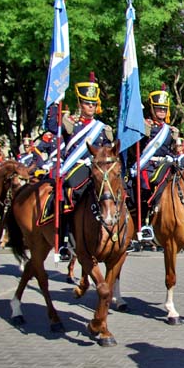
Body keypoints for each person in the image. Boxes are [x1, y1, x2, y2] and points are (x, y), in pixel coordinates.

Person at [46, 73, 113, 259]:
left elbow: (107, 152)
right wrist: (54, 101)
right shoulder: (70, 124)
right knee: (70, 191)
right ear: (80, 103)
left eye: (93, 103)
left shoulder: (103, 128)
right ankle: (65, 240)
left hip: (97, 169)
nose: (90, 106)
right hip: (76, 168)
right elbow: (52, 126)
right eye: (86, 103)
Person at [133, 87, 179, 237]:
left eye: (164, 109)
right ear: (152, 109)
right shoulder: (146, 126)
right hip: (148, 165)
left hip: (166, 164)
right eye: (158, 108)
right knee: (146, 186)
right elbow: (136, 149)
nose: (161, 112)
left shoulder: (169, 130)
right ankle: (146, 221)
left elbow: (171, 150)